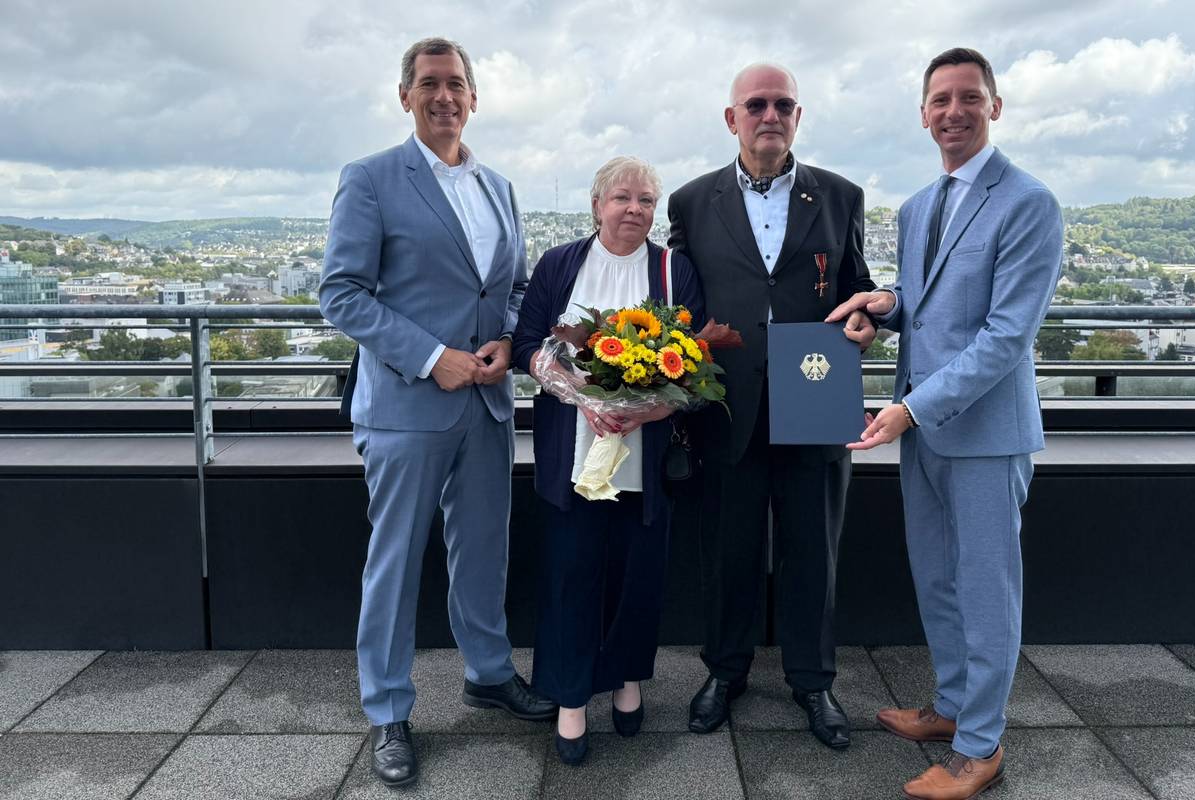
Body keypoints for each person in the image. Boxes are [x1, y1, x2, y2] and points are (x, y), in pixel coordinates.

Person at [826, 48, 1063, 799]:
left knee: (986, 588)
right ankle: (955, 710)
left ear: (996, 106)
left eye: (969, 97)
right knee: (938, 579)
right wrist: (885, 307)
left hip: (981, 433)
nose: (953, 112)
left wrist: (910, 409)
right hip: (923, 428)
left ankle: (981, 749)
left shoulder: (1029, 202)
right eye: (939, 100)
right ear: (923, 113)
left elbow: (1004, 337)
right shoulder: (920, 206)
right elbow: (929, 306)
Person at [318, 37, 554, 788]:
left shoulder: (500, 188)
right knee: (393, 564)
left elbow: (513, 290)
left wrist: (509, 344)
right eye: (429, 84)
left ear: (475, 97)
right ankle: (387, 709)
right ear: (405, 96)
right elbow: (342, 293)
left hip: (486, 402)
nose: (444, 96)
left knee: (485, 550)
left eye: (456, 84)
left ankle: (487, 672)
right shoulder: (371, 179)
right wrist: (432, 356)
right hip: (407, 406)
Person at [667, 63, 877, 750]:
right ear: (731, 118)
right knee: (727, 549)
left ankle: (814, 682)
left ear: (797, 115)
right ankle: (724, 673)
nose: (770, 114)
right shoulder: (691, 202)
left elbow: (860, 291)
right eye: (755, 104)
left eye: (783, 104)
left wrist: (866, 325)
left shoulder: (841, 197)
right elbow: (678, 306)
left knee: (811, 548)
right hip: (726, 405)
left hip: (816, 394)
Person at [512, 156, 706, 766]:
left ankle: (626, 681)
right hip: (574, 455)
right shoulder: (559, 265)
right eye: (622, 198)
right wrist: (581, 397)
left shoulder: (675, 271)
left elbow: (697, 360)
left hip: (644, 457)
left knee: (636, 575)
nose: (634, 210)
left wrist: (652, 409)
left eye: (646, 200)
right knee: (572, 574)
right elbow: (526, 347)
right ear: (596, 204)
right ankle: (571, 698)